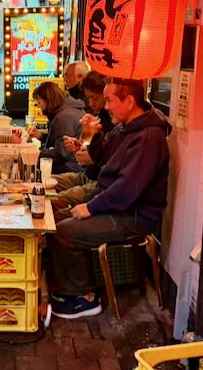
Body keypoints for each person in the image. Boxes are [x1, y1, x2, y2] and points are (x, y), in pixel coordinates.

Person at [47, 79, 171, 319]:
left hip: (133, 215)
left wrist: (91, 207)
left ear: (129, 101)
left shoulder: (148, 136)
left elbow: (127, 189)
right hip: (115, 204)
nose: (106, 107)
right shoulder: (124, 127)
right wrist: (92, 135)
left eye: (110, 100)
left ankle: (83, 298)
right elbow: (101, 157)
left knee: (65, 230)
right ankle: (65, 287)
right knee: (54, 220)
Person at [52, 71, 112, 204]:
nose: (90, 103)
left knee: (52, 200)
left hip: (100, 182)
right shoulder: (97, 116)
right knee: (44, 182)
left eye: (94, 98)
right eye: (88, 98)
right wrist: (78, 146)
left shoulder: (116, 122)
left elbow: (113, 165)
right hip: (87, 174)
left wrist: (95, 159)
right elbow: (86, 146)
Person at [32, 81, 86, 174]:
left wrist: (36, 153)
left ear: (48, 100)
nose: (39, 107)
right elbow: (59, 140)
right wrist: (42, 136)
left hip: (72, 167)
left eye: (39, 103)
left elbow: (61, 154)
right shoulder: (67, 110)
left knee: (33, 167)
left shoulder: (64, 117)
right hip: (75, 164)